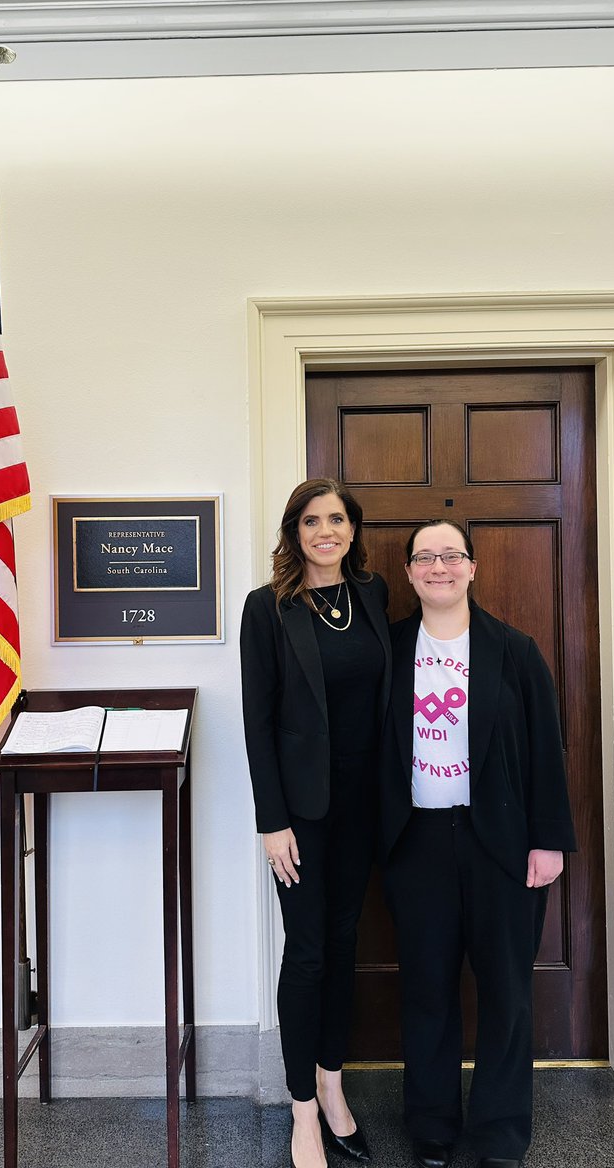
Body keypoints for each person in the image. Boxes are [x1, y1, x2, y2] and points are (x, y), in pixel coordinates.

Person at [379, 520, 576, 1168]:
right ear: (408, 573)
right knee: (427, 989)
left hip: (502, 844)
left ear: (472, 567)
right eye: (425, 557)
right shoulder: (390, 650)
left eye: (451, 555)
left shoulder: (513, 650)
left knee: (507, 994)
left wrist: (548, 842)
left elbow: (547, 751)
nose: (439, 566)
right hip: (418, 845)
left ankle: (497, 1134)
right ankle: (432, 1127)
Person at [240, 478, 391, 1168]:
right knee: (306, 950)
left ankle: (334, 1084)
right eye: (311, 520)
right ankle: (304, 1111)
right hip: (301, 816)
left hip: (366, 809)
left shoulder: (374, 595)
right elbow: (259, 721)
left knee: (343, 939)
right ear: (294, 532)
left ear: (352, 530)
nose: (324, 530)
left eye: (336, 519)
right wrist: (272, 822)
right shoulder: (267, 610)